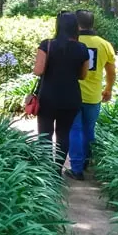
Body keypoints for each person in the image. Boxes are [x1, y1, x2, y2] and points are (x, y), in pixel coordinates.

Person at [33, 12, 90, 173]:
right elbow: (83, 75)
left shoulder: (47, 45)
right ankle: (57, 169)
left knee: (45, 133)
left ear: (58, 26)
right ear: (75, 27)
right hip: (71, 98)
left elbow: (38, 71)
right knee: (64, 134)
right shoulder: (82, 48)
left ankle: (44, 170)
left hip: (48, 97)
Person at [66, 10, 117, 180]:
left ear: (76, 24)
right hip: (93, 96)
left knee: (75, 130)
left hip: (72, 94)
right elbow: (111, 71)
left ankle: (76, 168)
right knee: (89, 130)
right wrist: (108, 89)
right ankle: (86, 162)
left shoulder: (71, 41)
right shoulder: (104, 44)